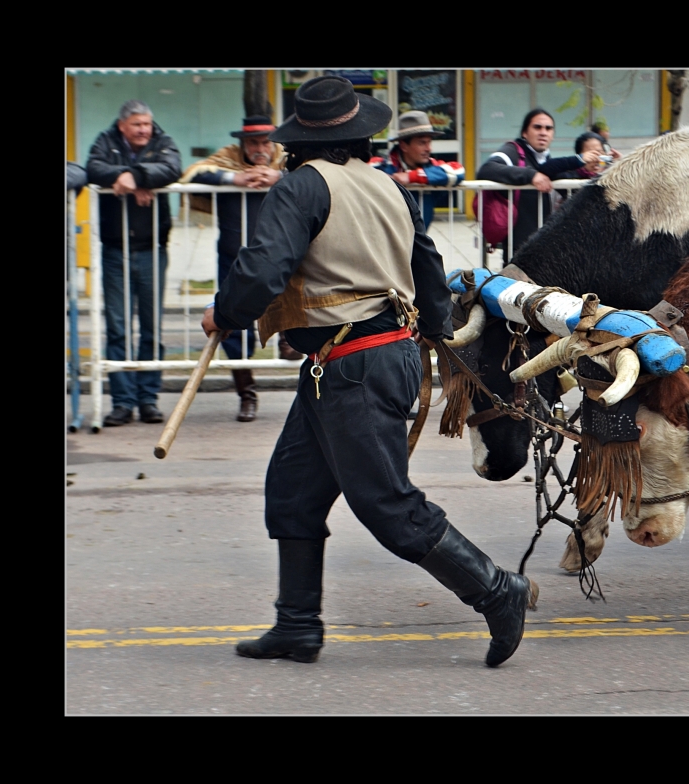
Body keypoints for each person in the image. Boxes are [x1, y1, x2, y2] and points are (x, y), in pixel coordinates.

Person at [201, 75, 536, 667]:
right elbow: (426, 268)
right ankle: (297, 626)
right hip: (369, 356)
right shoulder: (389, 186)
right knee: (293, 494)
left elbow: (261, 269)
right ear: (358, 135)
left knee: (387, 505)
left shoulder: (299, 188)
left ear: (299, 141)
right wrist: (429, 332)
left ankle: (495, 589)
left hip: (351, 362)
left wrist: (224, 312)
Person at [179, 116, 289, 422]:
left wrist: (276, 178)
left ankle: (311, 384)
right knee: (232, 329)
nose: (260, 148)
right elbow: (191, 173)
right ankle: (247, 393)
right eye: (253, 142)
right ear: (242, 143)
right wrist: (235, 179)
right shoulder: (227, 158)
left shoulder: (287, 159)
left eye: (266, 141)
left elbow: (310, 175)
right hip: (235, 256)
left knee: (295, 320)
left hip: (282, 257)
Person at [86, 100, 182, 426]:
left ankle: (148, 400)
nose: (145, 130)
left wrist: (138, 176)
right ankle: (122, 403)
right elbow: (93, 168)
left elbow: (172, 168)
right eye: (138, 125)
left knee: (151, 329)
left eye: (147, 124)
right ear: (123, 125)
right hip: (114, 251)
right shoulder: (106, 140)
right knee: (118, 329)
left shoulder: (162, 141)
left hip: (152, 248)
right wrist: (128, 176)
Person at [476, 108, 603, 259]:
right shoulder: (513, 151)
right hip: (518, 245)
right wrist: (531, 175)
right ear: (524, 132)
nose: (543, 132)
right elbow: (487, 169)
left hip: (543, 244)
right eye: (537, 127)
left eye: (548, 128)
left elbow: (569, 184)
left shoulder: (546, 159)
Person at [370, 110, 465, 230]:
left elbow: (458, 171)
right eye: (422, 143)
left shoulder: (432, 167)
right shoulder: (381, 166)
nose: (428, 148)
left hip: (419, 242)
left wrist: (411, 177)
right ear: (404, 146)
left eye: (429, 142)